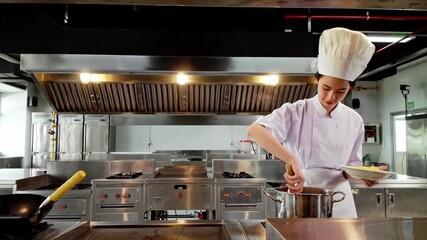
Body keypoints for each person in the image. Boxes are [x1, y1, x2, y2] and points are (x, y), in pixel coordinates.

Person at [247, 27, 384, 218]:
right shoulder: (296, 110)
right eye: (326, 88)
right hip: (302, 197)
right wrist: (291, 159)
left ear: (350, 88)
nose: (331, 97)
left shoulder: (354, 120)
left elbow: (349, 168)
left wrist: (363, 175)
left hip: (339, 202)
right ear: (316, 80)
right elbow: (255, 131)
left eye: (340, 92)